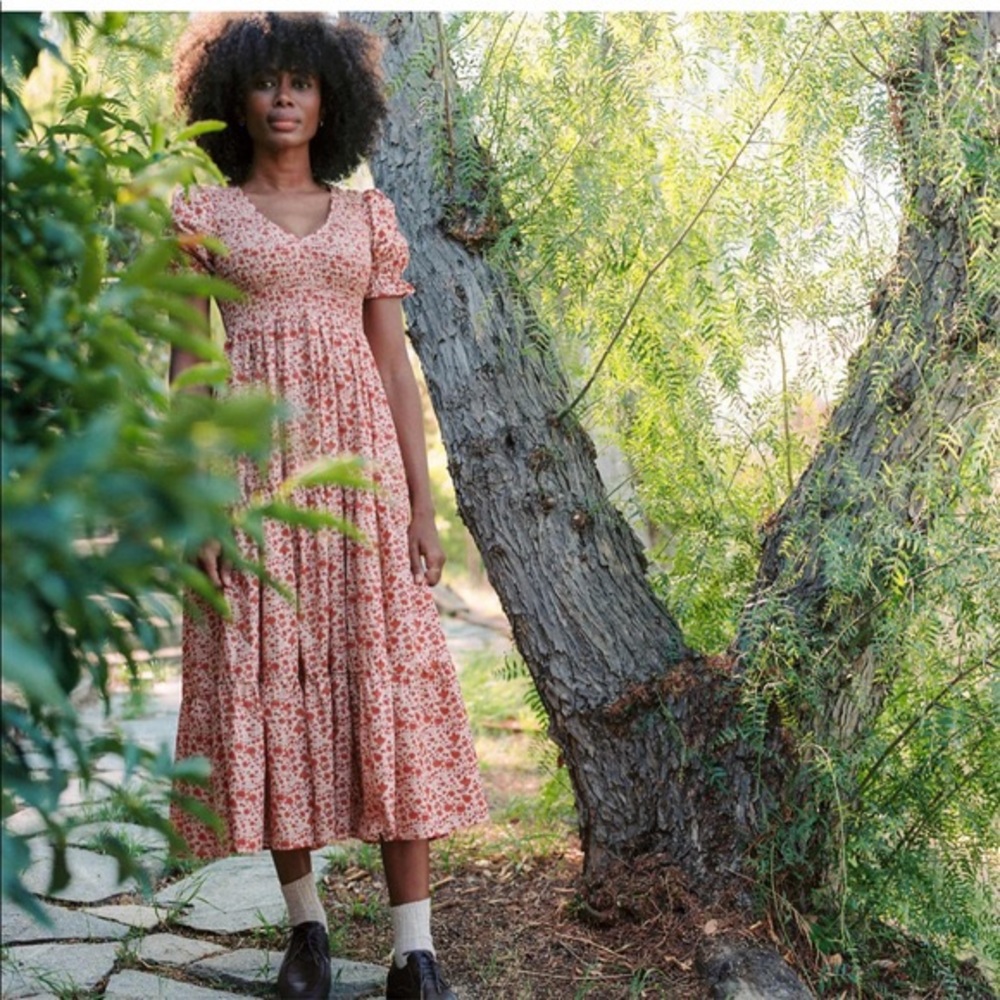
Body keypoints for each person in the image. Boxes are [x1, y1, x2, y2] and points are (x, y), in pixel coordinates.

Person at [169, 13, 489, 1000]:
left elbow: (395, 371)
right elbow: (187, 372)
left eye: (301, 83)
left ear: (329, 100)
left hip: (364, 487)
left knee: (387, 687)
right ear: (234, 97)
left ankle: (414, 950)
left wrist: (425, 509)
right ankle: (306, 932)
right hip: (258, 488)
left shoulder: (369, 217)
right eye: (265, 83)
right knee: (275, 692)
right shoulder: (198, 216)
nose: (282, 98)